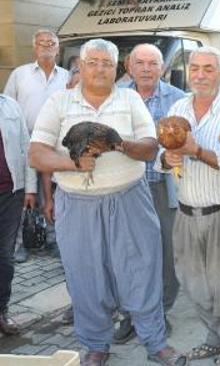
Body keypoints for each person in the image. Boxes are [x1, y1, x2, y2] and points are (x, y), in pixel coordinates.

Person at [28, 38, 186, 366]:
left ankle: (156, 343)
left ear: (116, 69)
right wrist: (73, 163)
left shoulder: (128, 99)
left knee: (141, 270)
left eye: (107, 63)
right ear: (81, 66)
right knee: (85, 276)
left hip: (129, 199)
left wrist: (118, 143)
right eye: (93, 62)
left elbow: (149, 147)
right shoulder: (59, 102)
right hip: (77, 203)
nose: (100, 69)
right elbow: (36, 153)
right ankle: (96, 344)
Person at [155, 46, 220, 365]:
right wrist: (167, 158)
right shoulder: (177, 106)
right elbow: (161, 158)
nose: (200, 74)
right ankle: (213, 337)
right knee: (193, 283)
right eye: (195, 68)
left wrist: (196, 150)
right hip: (185, 211)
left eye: (209, 68)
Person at [113, 43, 186, 343]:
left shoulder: (178, 99)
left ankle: (160, 312)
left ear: (162, 68)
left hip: (161, 188)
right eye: (139, 63)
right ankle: (131, 313)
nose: (145, 68)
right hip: (126, 187)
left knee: (165, 253)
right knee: (128, 253)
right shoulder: (116, 97)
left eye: (152, 63)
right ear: (129, 66)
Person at [4, 29, 69, 262]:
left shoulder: (66, 77)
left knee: (52, 194)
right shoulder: (19, 75)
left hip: (56, 145)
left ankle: (53, 239)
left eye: (51, 43)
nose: (46, 46)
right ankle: (19, 244)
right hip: (24, 144)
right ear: (34, 47)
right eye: (41, 43)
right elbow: (7, 106)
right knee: (24, 194)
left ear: (58, 48)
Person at [0, 94, 37, 334]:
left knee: (4, 256)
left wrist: (30, 188)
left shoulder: (10, 105)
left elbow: (27, 147)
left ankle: (1, 311)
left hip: (10, 193)